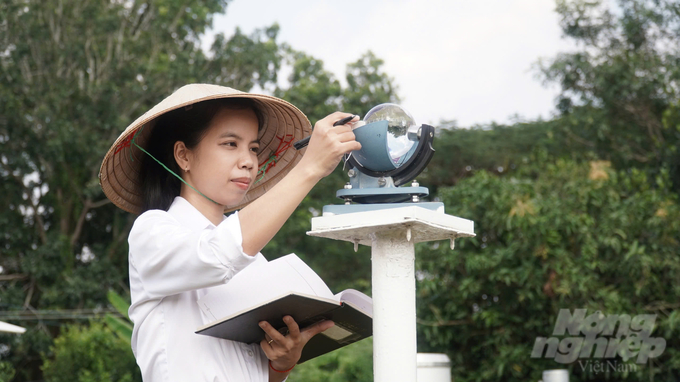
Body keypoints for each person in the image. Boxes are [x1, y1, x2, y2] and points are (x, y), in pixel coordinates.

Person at [99, 84, 361, 382]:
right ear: (183, 156)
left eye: (253, 148)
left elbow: (253, 372)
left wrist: (282, 363)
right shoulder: (153, 232)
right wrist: (308, 168)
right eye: (230, 144)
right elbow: (216, 255)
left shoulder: (254, 260)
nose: (248, 160)